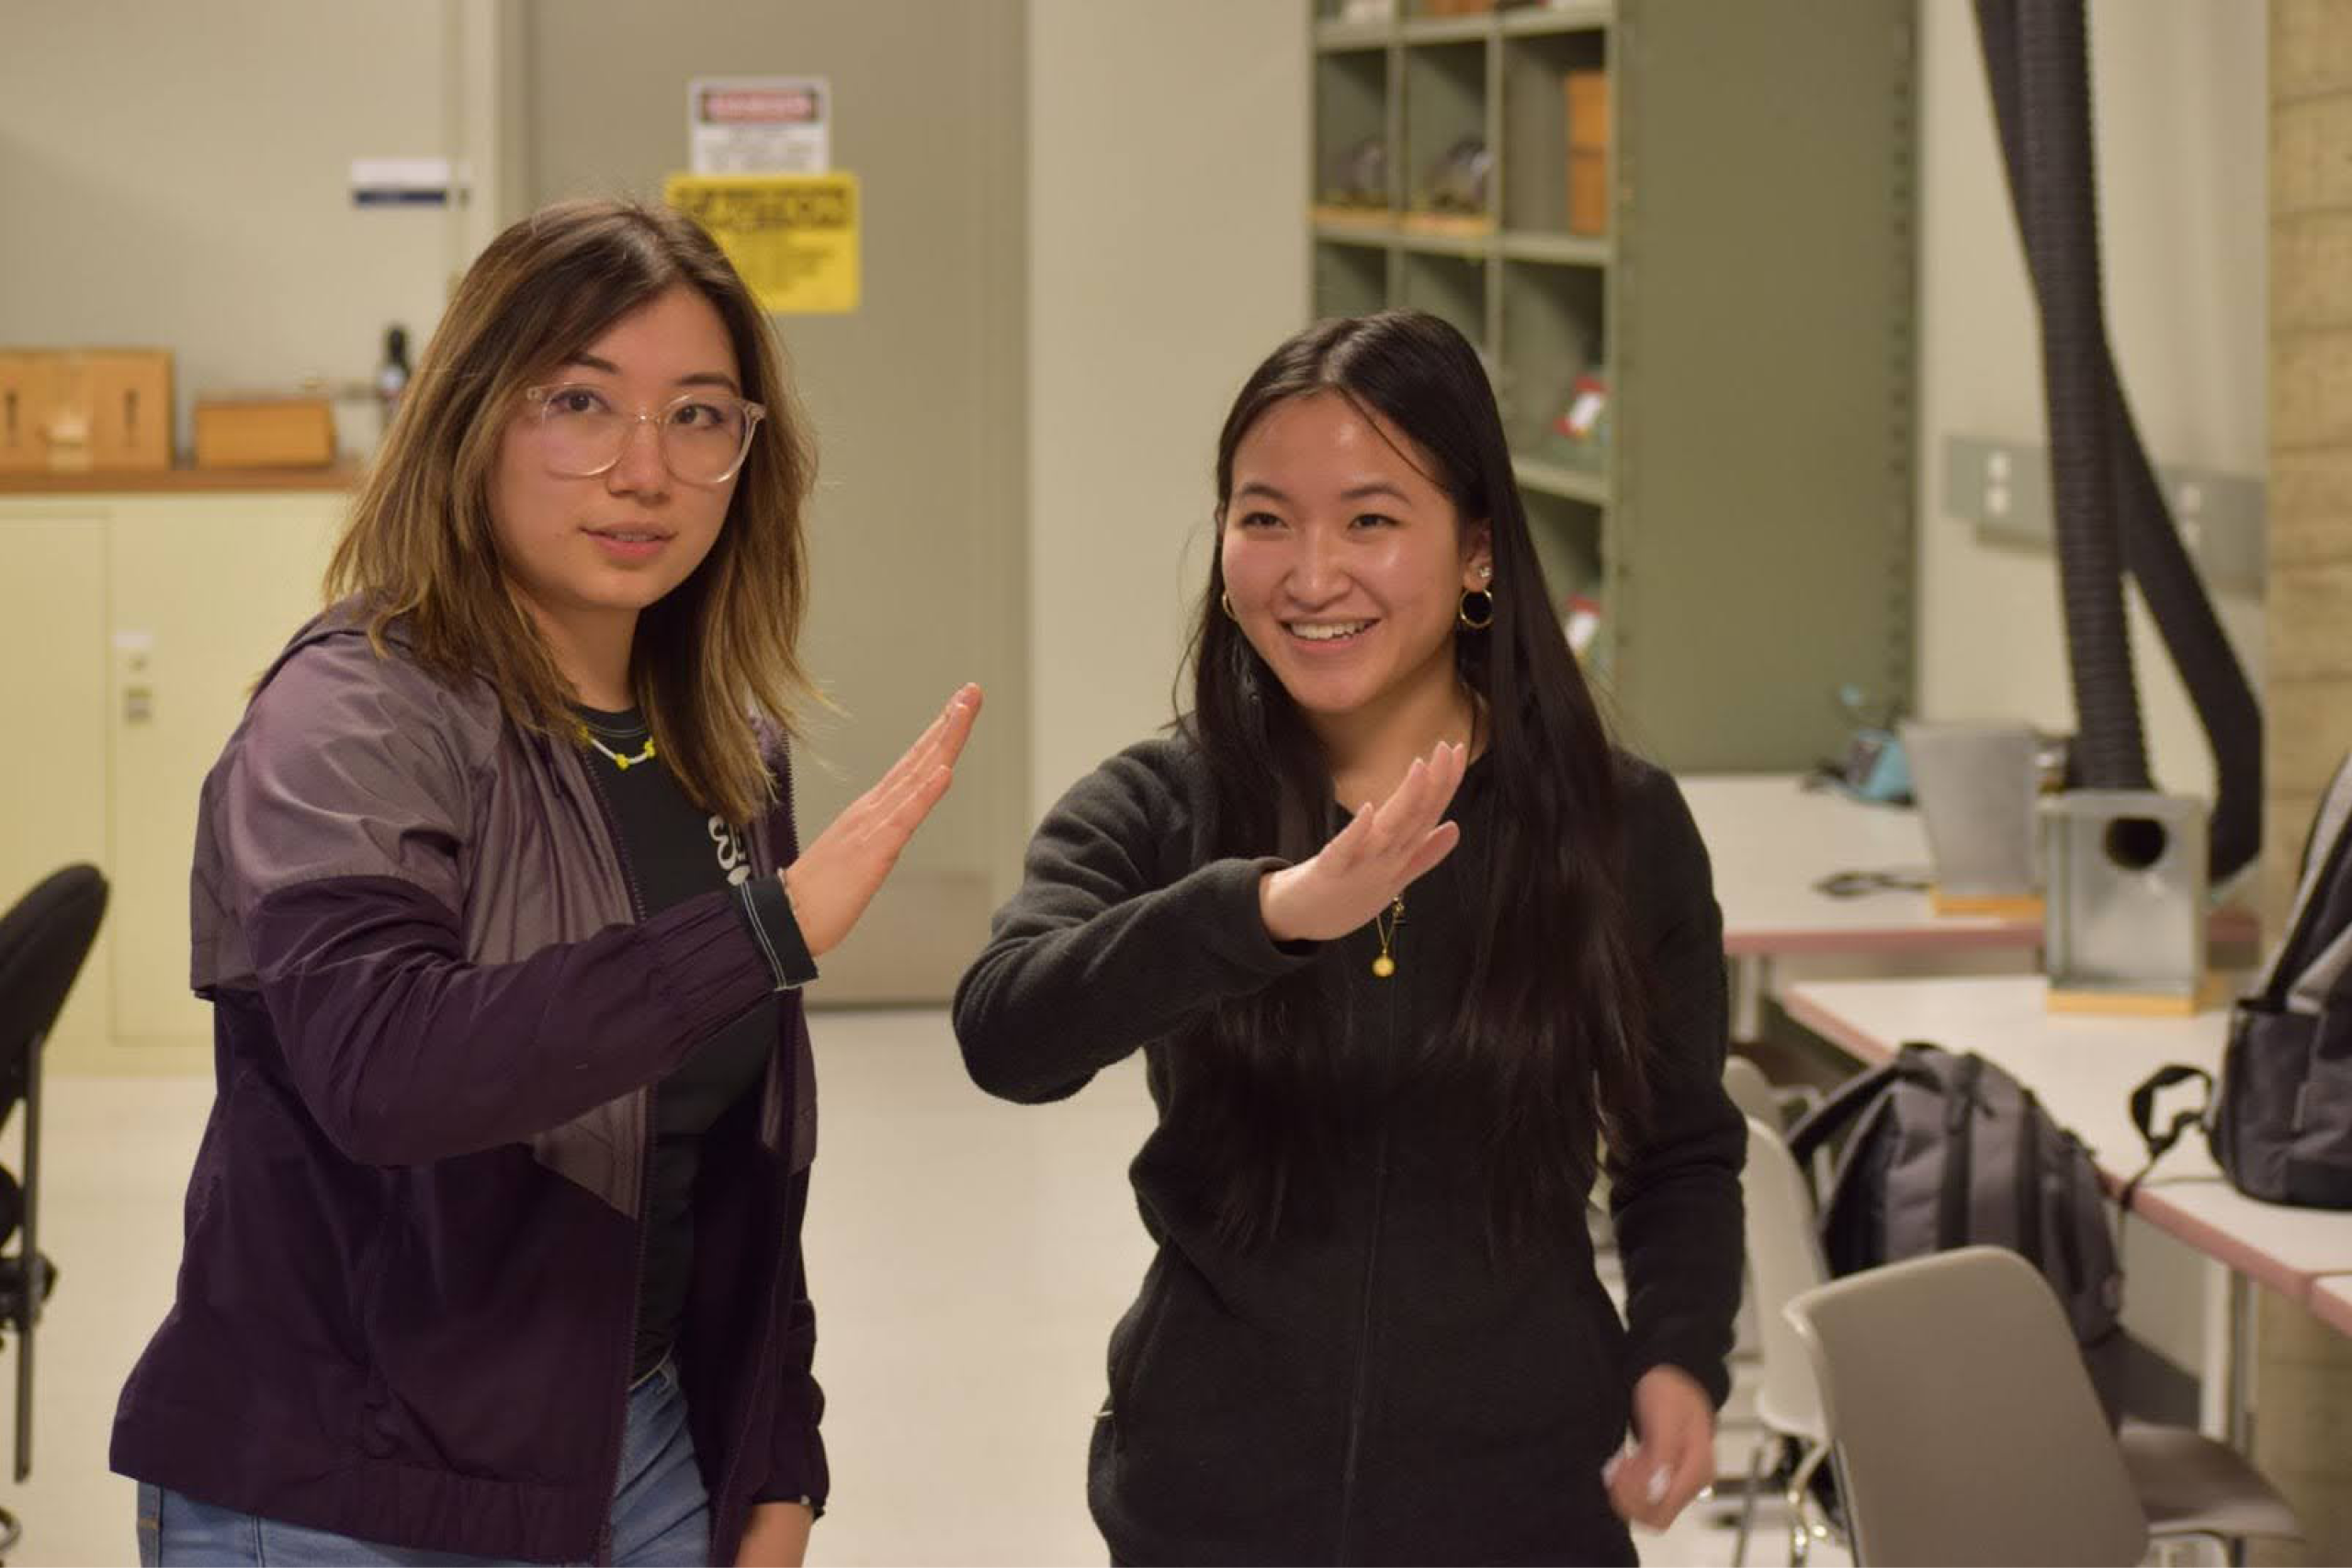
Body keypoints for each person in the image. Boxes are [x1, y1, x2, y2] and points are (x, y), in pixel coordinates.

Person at [112, 198, 980, 1568]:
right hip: (342, 1491)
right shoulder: (354, 714)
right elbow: (387, 1069)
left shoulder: (720, 746)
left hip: (632, 1455)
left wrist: (775, 1454)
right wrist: (761, 932)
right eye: (581, 402)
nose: (645, 469)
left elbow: (734, 1165)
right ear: (473, 420)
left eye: (701, 416)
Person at [954, 310, 1743, 1566]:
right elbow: (1008, 1030)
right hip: (1209, 1504)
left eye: (1371, 520)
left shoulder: (1614, 821)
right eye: (1264, 518)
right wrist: (1258, 913)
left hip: (1525, 1504)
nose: (1311, 574)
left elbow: (1681, 1150)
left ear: (1479, 549)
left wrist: (1678, 1352)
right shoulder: (1163, 805)